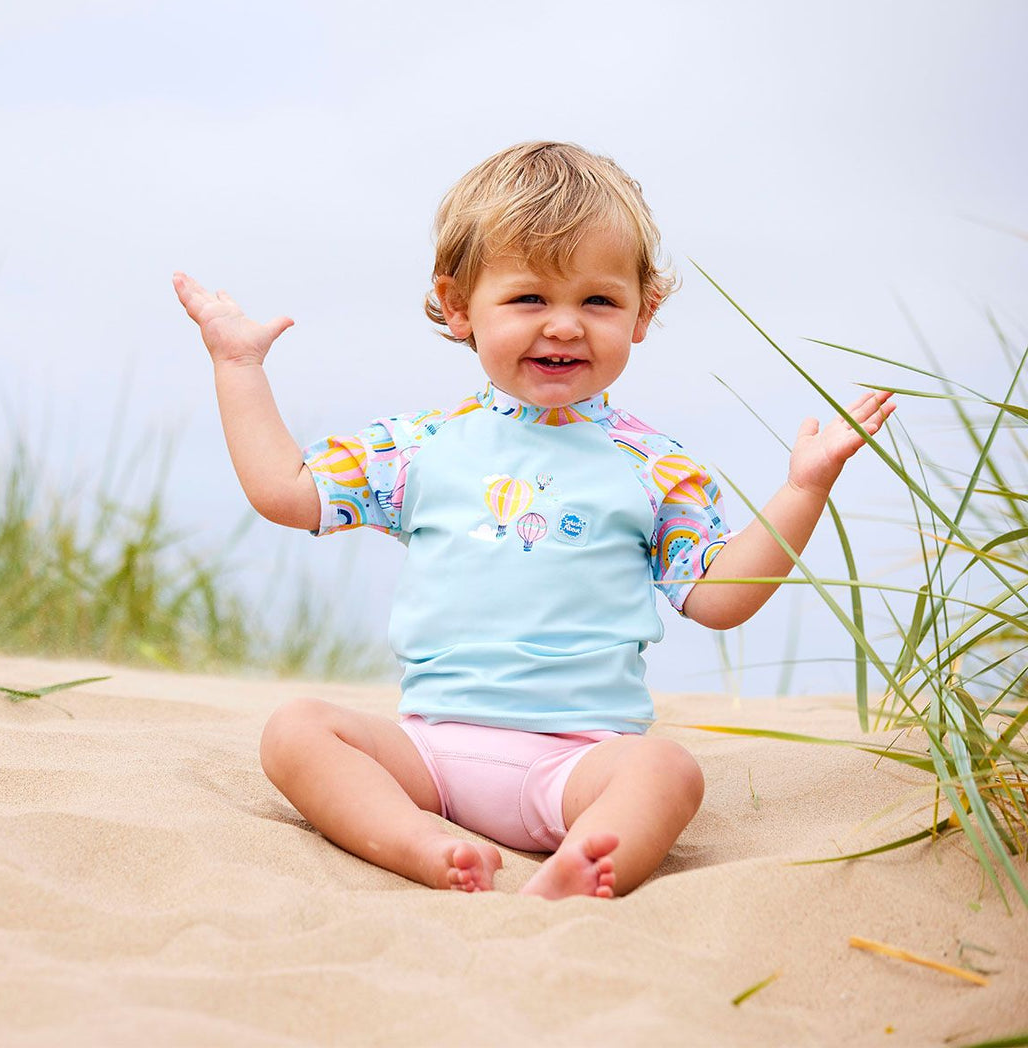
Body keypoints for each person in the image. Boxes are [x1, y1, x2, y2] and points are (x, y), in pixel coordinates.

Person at [173, 141, 894, 899]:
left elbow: (717, 599)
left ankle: (582, 864)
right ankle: (423, 847)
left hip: (579, 763)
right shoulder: (422, 445)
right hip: (430, 754)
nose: (564, 326)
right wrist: (239, 369)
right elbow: (287, 491)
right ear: (459, 309)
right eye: (528, 300)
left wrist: (803, 490)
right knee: (296, 731)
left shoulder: (655, 464)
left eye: (598, 301)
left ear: (643, 312)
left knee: (667, 771)